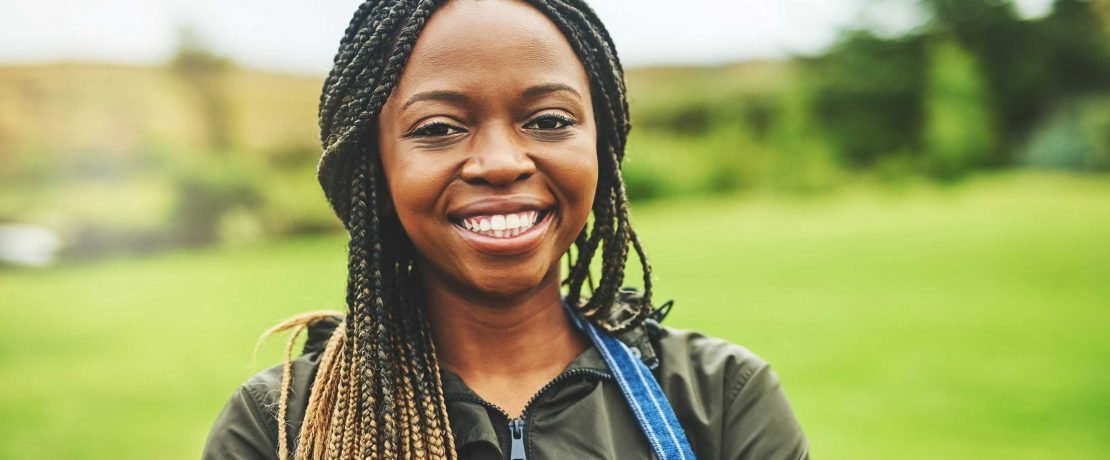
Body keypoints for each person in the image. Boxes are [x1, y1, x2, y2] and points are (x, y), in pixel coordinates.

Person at [202, 0, 808, 458]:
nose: (501, 162)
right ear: (375, 167)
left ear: (602, 146)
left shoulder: (717, 398)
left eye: (548, 119)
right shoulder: (280, 425)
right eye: (438, 127)